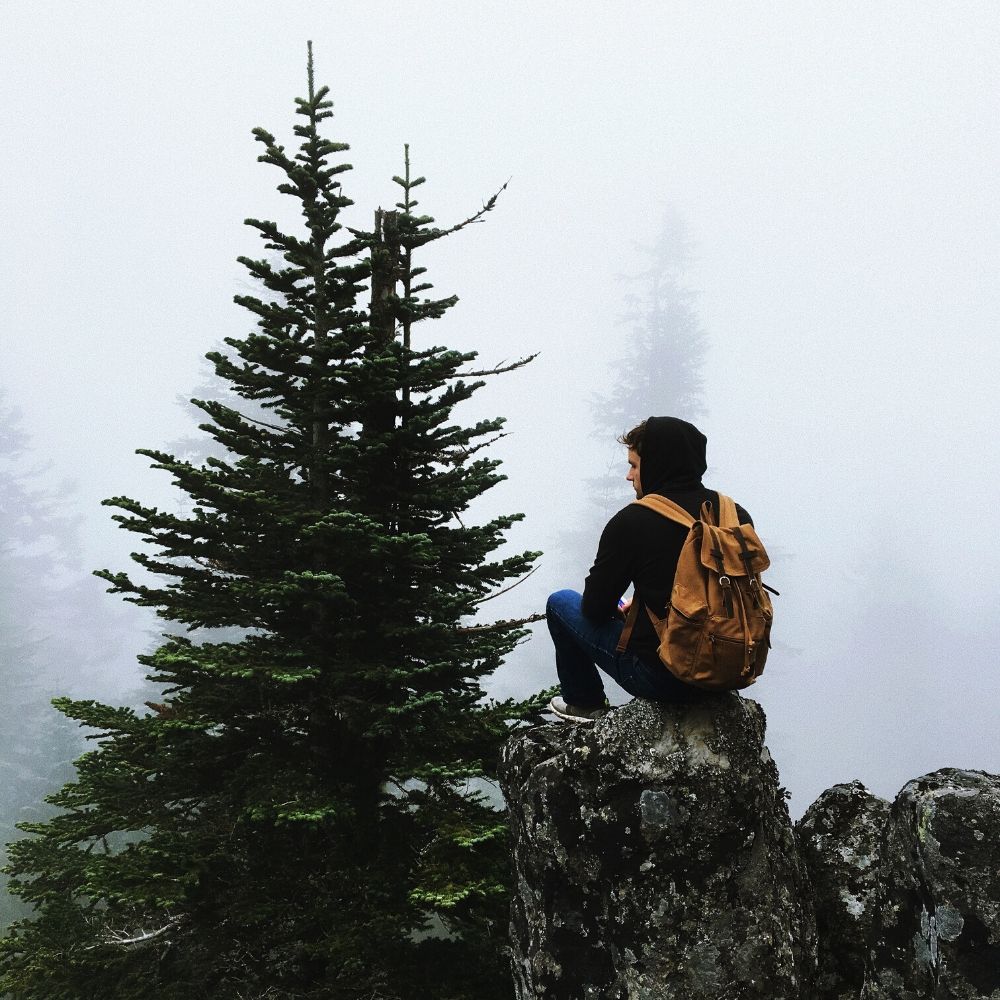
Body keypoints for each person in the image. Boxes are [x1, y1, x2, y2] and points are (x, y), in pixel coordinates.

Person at [547, 416, 753, 722]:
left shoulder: (633, 521)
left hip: (662, 678)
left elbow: (593, 609)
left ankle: (584, 703)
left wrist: (624, 610)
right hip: (728, 673)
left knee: (560, 602)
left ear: (656, 463)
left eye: (634, 465)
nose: (629, 476)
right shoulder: (733, 514)